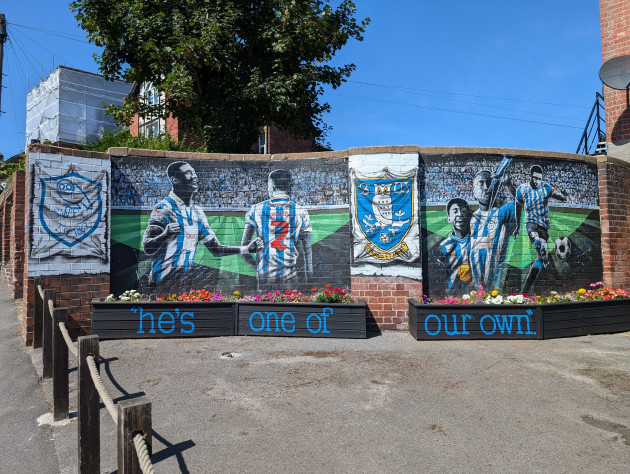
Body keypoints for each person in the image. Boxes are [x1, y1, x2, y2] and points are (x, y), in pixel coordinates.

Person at [142, 161, 261, 288]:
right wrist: (165, 234)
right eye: (188, 173)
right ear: (174, 179)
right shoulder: (164, 208)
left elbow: (216, 249)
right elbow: (148, 247)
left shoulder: (197, 212)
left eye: (194, 172)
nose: (194, 176)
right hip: (161, 282)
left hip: (184, 283)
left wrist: (247, 249)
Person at [241, 169, 312, 288]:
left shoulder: (255, 209)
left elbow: (244, 247)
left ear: (271, 186)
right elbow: (307, 252)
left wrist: (257, 266)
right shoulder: (300, 211)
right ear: (290, 186)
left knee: (266, 305)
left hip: (265, 274)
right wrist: (309, 280)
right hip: (290, 274)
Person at [514, 165, 566, 293]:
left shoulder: (546, 187)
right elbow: (518, 206)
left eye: (539, 179)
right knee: (534, 236)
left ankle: (525, 290)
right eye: (535, 178)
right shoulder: (522, 189)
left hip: (543, 225)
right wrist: (517, 226)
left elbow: (557, 195)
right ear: (530, 176)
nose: (537, 181)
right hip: (531, 222)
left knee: (540, 259)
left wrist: (562, 196)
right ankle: (537, 242)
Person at [469, 168, 517, 290]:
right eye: (481, 183)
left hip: (495, 279)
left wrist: (508, 185)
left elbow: (521, 202)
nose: (486, 187)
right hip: (475, 280)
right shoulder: (472, 218)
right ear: (473, 191)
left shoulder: (502, 212)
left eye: (489, 183)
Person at [435, 197, 473, 294]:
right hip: (453, 295)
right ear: (449, 218)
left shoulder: (476, 241)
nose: (460, 214)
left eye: (463, 211)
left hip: (476, 294)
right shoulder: (443, 247)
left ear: (469, 215)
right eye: (455, 211)